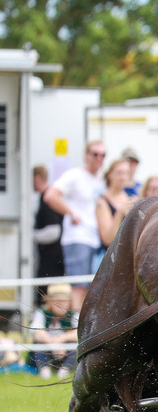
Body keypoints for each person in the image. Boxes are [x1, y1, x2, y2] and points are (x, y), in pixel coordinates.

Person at [43, 141, 106, 312]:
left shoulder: (101, 180)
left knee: (91, 284)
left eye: (102, 155)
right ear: (86, 155)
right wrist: (71, 213)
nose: (99, 158)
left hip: (96, 239)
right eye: (95, 154)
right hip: (78, 237)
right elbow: (50, 195)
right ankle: (77, 322)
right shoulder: (74, 175)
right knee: (78, 284)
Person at [94, 157, 136, 271]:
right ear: (109, 175)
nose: (122, 177)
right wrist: (120, 213)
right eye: (119, 173)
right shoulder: (102, 202)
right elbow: (107, 239)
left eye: (126, 173)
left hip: (127, 258)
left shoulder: (130, 199)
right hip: (108, 260)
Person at [29, 282, 78, 380]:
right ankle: (44, 371)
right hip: (48, 350)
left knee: (76, 347)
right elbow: (36, 332)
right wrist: (54, 344)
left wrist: (61, 340)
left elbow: (79, 334)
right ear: (49, 302)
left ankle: (65, 370)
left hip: (66, 351)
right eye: (57, 301)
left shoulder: (74, 315)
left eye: (64, 301)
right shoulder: (42, 313)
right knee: (39, 345)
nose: (61, 304)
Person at [31, 165, 64, 305]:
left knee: (47, 292)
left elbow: (54, 232)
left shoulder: (47, 199)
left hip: (52, 258)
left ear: (37, 179)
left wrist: (32, 237)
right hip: (48, 257)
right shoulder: (45, 198)